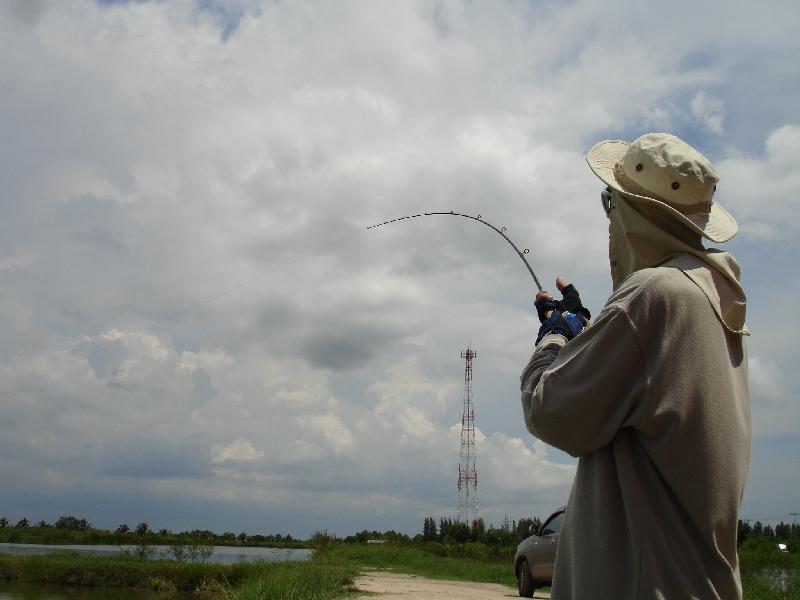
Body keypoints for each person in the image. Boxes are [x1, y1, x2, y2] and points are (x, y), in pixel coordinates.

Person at [520, 133, 750, 599]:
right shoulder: (711, 298)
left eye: (611, 202)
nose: (609, 219)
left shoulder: (653, 295)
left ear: (632, 213)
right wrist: (587, 329)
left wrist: (555, 337)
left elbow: (549, 412)